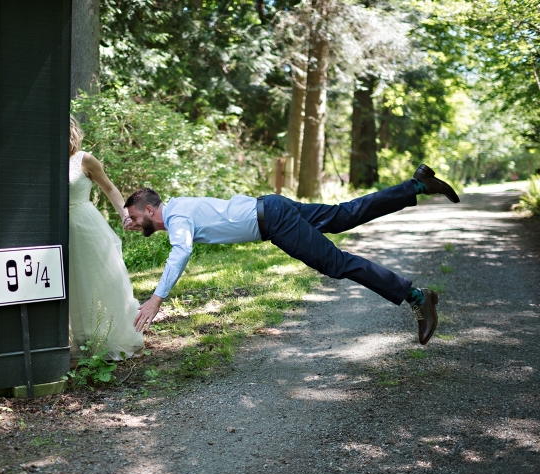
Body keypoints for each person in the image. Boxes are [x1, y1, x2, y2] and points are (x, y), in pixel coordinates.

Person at [123, 164, 460, 345]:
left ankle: (416, 296)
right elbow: (158, 225)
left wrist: (157, 297)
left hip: (274, 220)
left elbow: (181, 251)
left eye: (137, 219)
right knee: (344, 215)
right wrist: (131, 217)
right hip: (272, 206)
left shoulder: (177, 218)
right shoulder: (176, 206)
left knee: (337, 263)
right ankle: (417, 184)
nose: (136, 226)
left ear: (152, 210)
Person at [68, 115, 144, 365]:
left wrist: (126, 214)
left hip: (85, 225)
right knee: (68, 285)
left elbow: (109, 188)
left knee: (95, 281)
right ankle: (78, 342)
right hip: (56, 230)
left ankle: (109, 337)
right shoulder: (41, 159)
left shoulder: (84, 159)